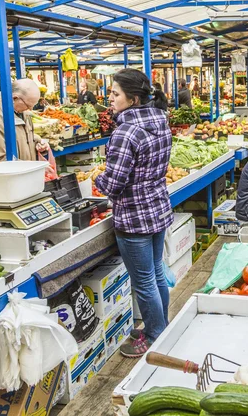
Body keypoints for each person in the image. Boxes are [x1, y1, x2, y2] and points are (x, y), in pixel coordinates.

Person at [95, 69, 172, 358]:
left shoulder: (125, 132)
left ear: (133, 98)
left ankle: (154, 335)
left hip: (133, 216)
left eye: (115, 94)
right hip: (158, 208)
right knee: (156, 273)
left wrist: (97, 181)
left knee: (144, 281)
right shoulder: (160, 120)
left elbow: (114, 184)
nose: (110, 98)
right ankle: (162, 324)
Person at [0, 78, 49, 166]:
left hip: (23, 176)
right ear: (15, 98)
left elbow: (22, 137)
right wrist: (34, 168)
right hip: (3, 179)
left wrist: (38, 144)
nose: (30, 109)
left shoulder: (19, 110)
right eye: (28, 106)